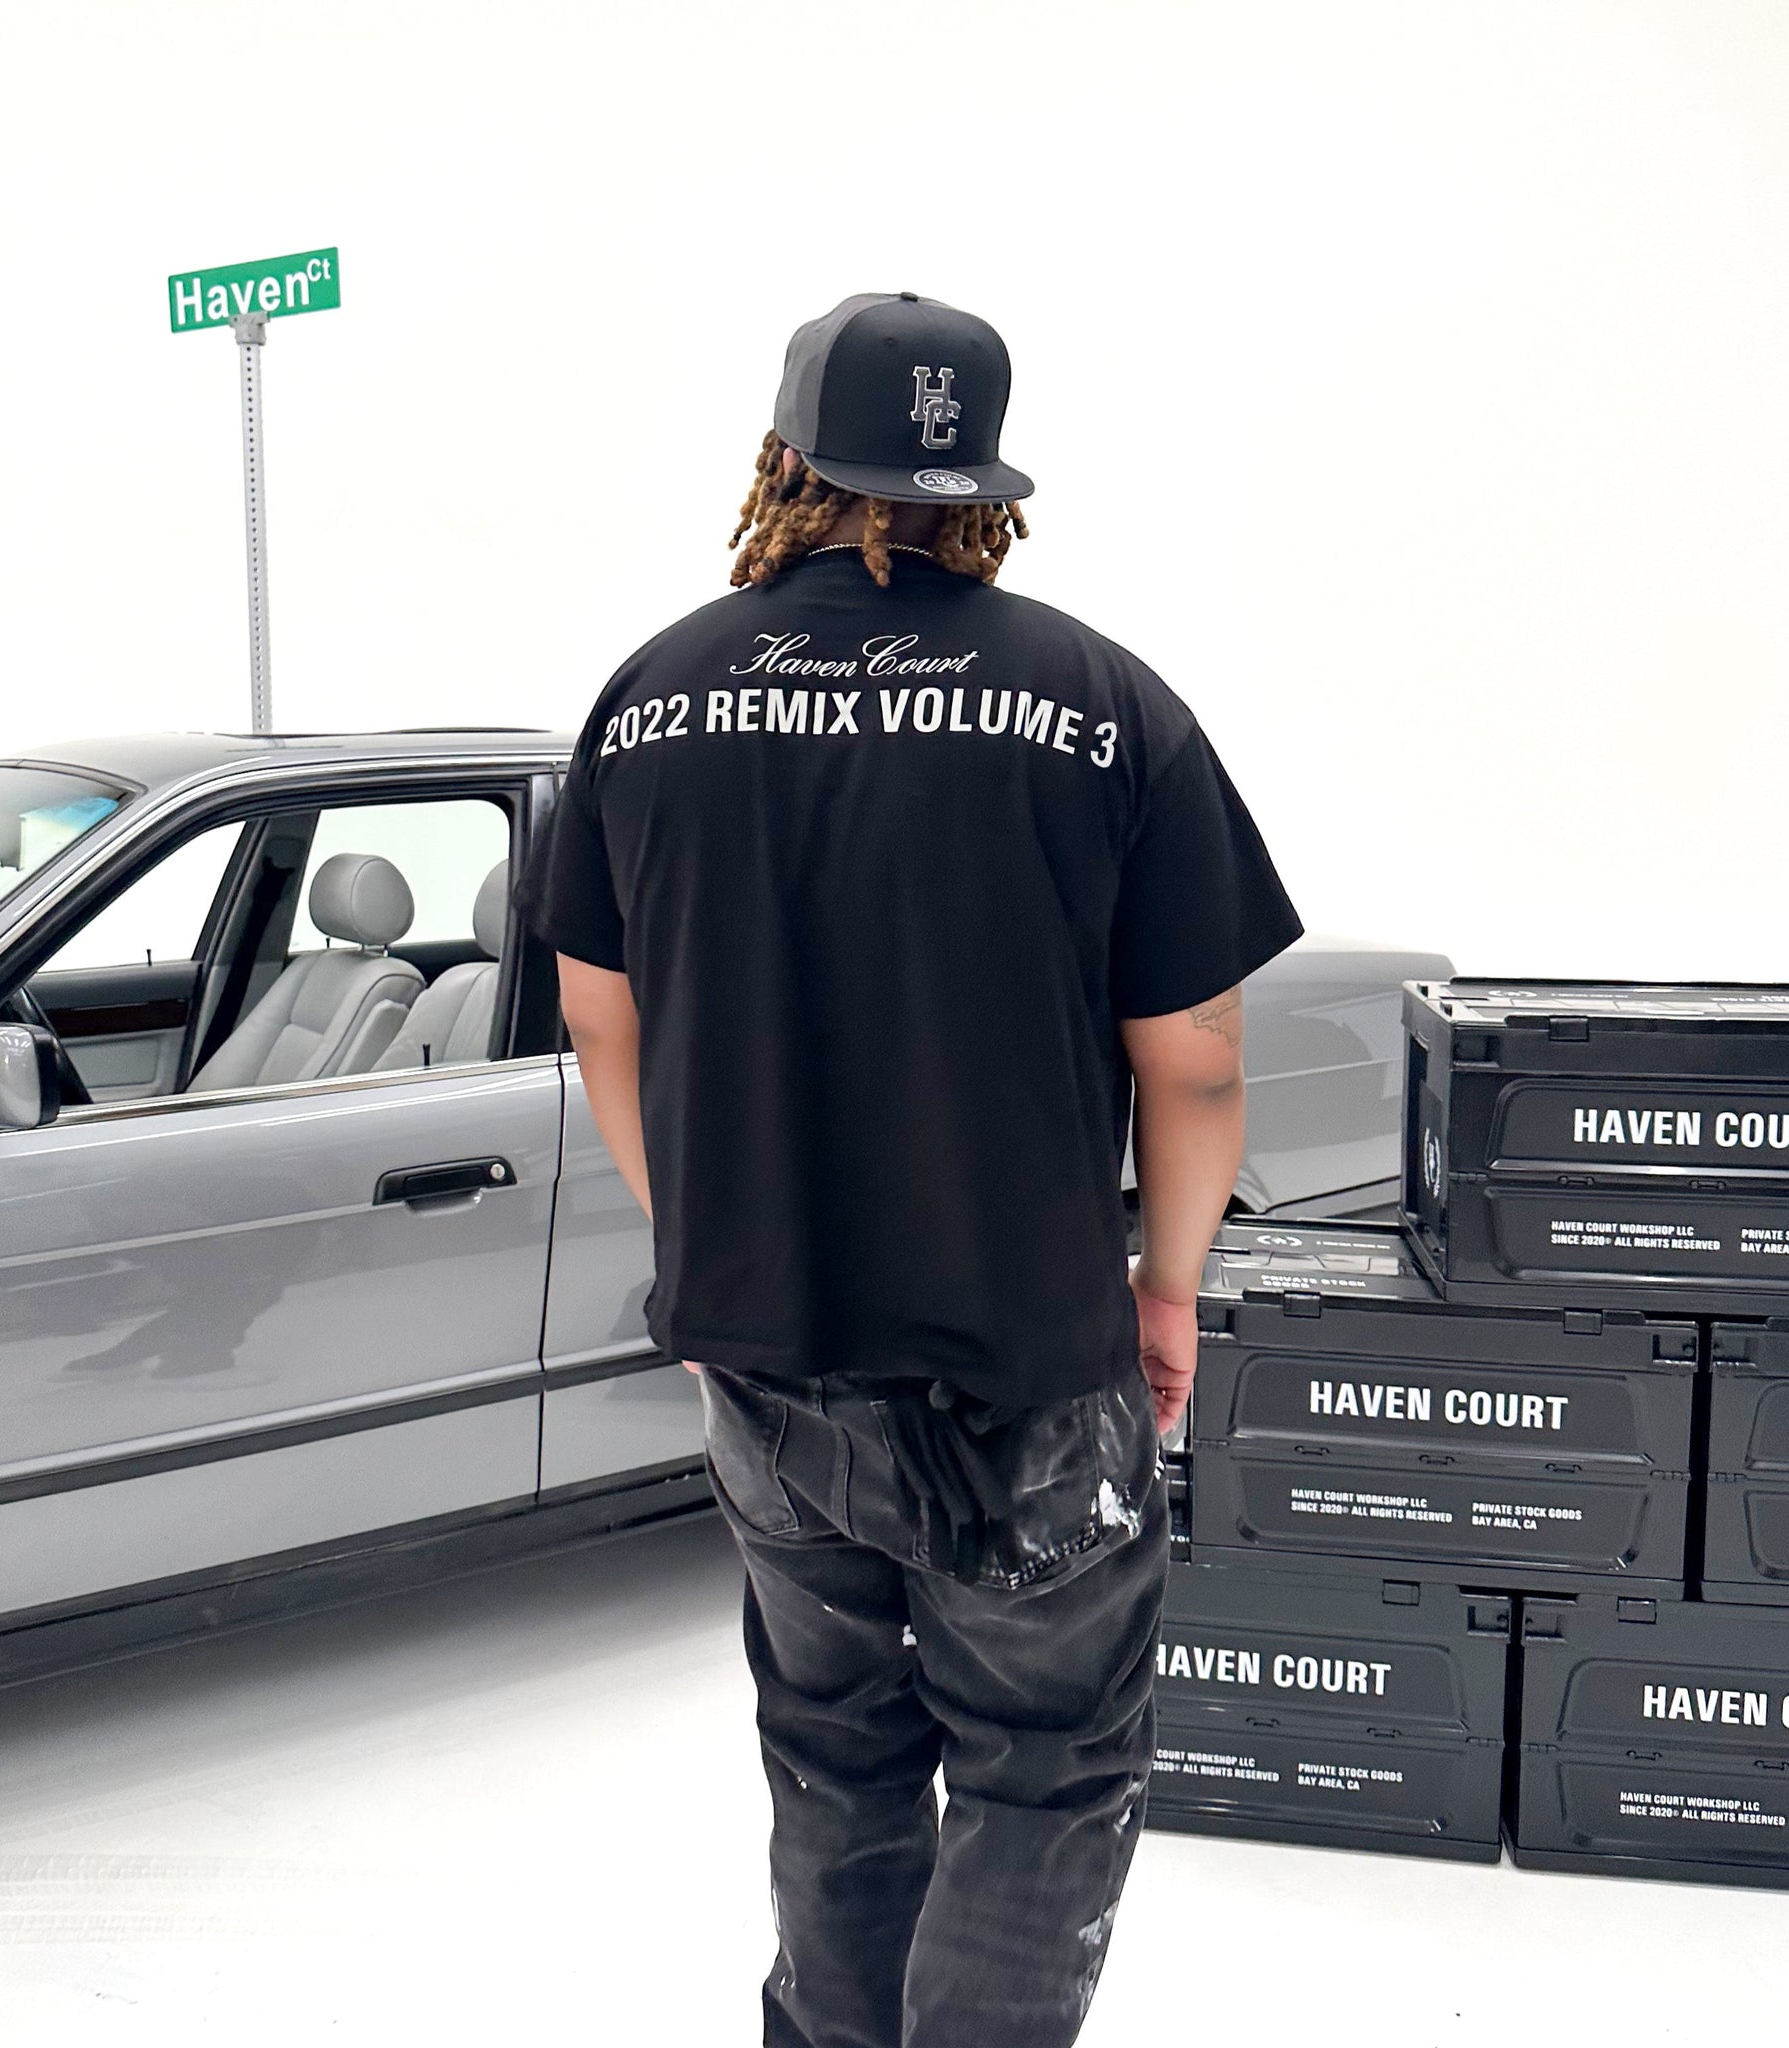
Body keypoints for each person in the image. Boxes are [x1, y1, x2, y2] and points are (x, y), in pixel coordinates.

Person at [515, 291, 1303, 2048]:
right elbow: (1197, 1056)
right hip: (1027, 1364)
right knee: (1046, 1766)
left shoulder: (649, 703)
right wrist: (1167, 1289)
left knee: (834, 1748)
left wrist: (707, 1243)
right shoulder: (1104, 706)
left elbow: (599, 1020)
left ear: (787, 461)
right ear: (982, 486)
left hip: (768, 1364)